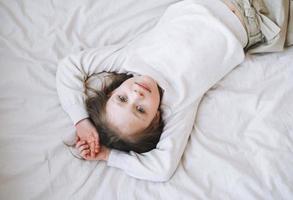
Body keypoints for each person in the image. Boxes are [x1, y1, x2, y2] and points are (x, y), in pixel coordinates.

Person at [56, 0, 292, 181]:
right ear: (156, 117)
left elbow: (70, 67)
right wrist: (108, 156)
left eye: (122, 98)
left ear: (111, 91)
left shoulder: (128, 59)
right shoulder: (178, 103)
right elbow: (161, 169)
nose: (136, 95)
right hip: (259, 19)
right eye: (140, 110)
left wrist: (81, 121)